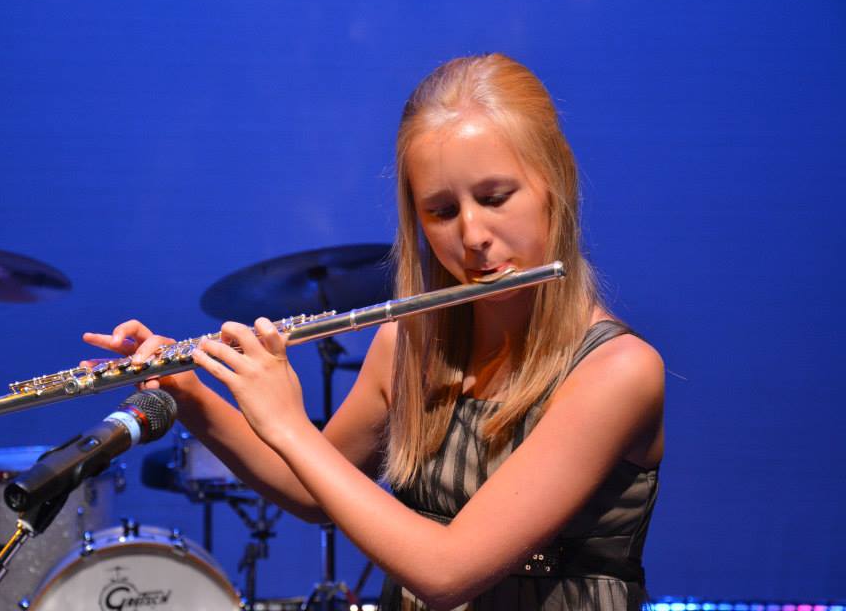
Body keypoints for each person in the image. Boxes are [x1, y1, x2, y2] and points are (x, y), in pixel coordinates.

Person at [84, 53, 664, 611]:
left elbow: (448, 574)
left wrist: (289, 422)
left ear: (554, 185)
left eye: (494, 198)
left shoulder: (616, 372)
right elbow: (315, 492)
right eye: (440, 211)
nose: (473, 234)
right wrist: (188, 397)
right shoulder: (410, 344)